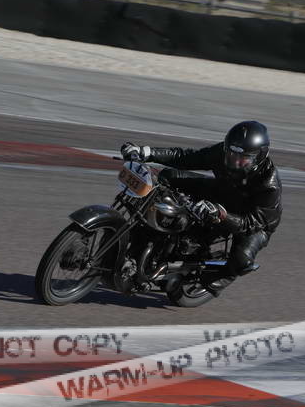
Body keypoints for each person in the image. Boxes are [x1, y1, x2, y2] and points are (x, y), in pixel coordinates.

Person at [120, 120, 282, 296]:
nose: (235, 162)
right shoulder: (222, 153)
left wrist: (221, 215)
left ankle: (224, 276)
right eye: (231, 155)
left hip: (253, 221)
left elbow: (250, 223)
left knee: (241, 260)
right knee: (167, 176)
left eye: (243, 159)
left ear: (259, 157)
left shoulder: (269, 185)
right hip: (223, 192)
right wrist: (147, 152)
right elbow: (187, 157)